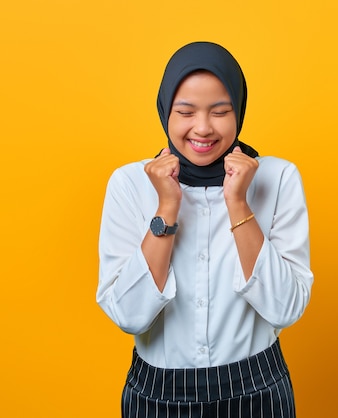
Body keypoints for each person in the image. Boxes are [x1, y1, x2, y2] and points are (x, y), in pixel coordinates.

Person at [97, 41, 313, 418]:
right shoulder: (129, 184)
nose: (203, 128)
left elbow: (286, 308)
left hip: (257, 390)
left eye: (220, 112)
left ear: (239, 112)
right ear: (166, 111)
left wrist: (239, 203)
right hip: (156, 395)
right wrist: (167, 207)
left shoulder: (278, 178)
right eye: (185, 112)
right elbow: (129, 316)